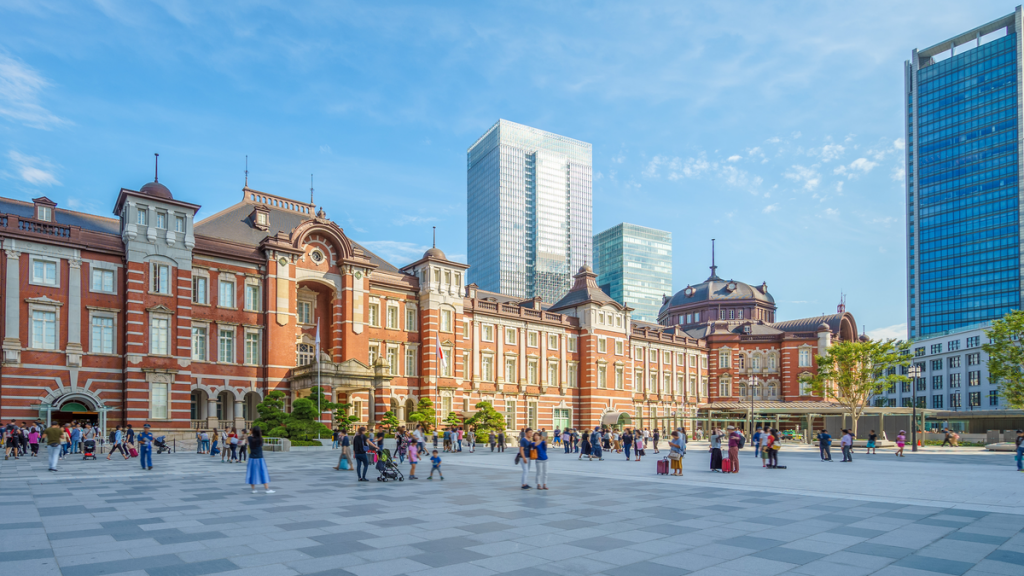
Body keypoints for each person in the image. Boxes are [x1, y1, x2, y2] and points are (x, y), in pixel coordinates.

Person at [245, 426, 274, 493]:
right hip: (259, 458)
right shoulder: (260, 439)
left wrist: (250, 433)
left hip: (251, 458)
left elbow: (247, 442)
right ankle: (267, 489)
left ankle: (253, 489)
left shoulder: (249, 438)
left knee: (252, 473)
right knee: (263, 472)